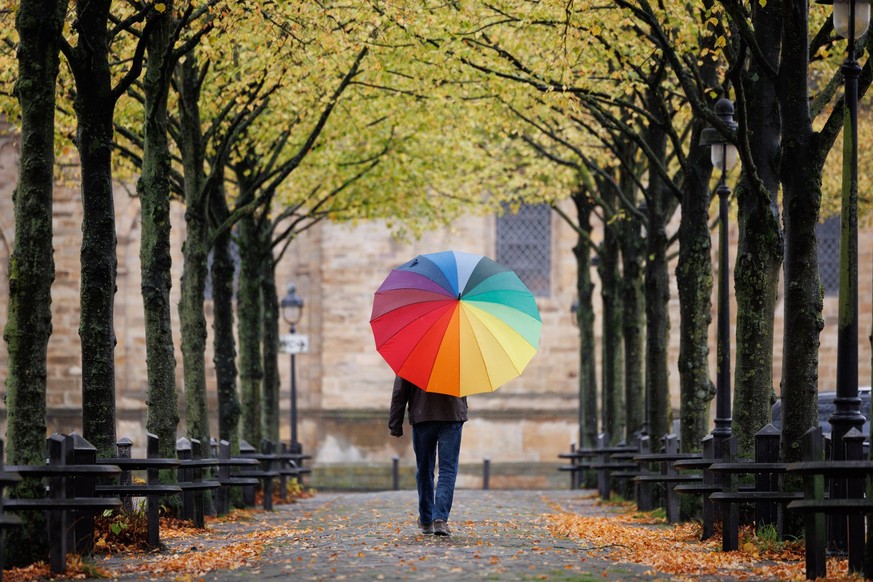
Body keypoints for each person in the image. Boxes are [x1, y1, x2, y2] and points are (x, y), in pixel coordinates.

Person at [388, 375, 468, 536]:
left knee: (424, 469)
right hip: (452, 415)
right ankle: (440, 519)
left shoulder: (412, 354)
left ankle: (425, 519)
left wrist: (395, 423)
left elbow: (399, 391)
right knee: (448, 470)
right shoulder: (460, 353)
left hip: (422, 415)